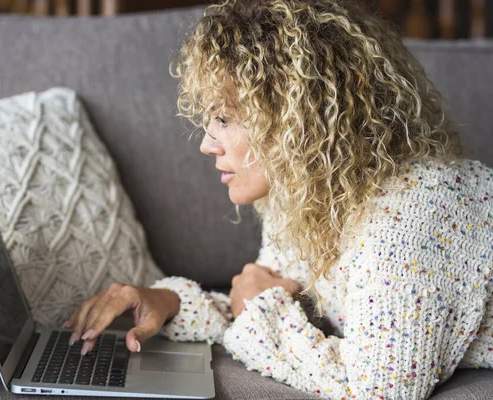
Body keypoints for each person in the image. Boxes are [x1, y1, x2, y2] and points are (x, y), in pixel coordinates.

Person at [63, 0, 493, 398]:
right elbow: (273, 299)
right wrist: (167, 303)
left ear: (300, 120)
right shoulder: (305, 196)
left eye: (225, 118)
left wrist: (256, 310)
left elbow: (382, 389)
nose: (207, 144)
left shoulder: (414, 207)